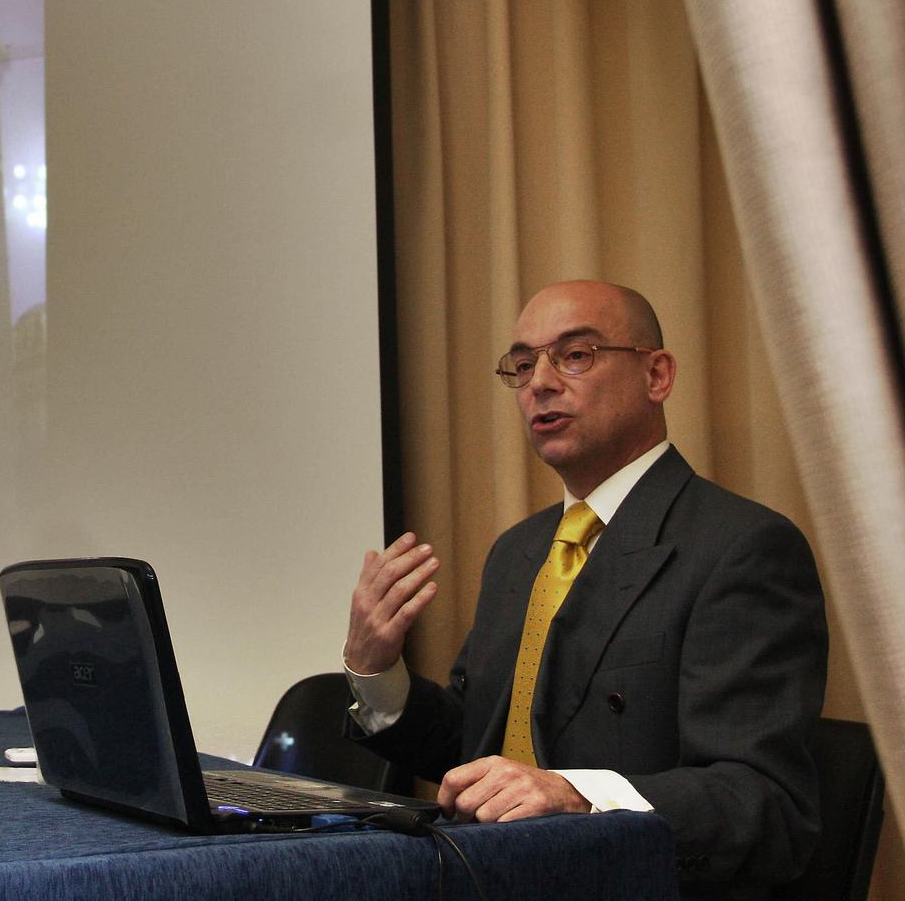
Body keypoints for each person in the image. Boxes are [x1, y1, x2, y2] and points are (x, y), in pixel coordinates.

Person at [344, 280, 826, 898]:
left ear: (657, 376)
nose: (539, 383)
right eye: (523, 364)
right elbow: (473, 746)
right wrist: (376, 668)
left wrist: (577, 795)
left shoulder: (741, 547)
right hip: (487, 875)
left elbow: (763, 804)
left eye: (575, 355)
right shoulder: (519, 551)